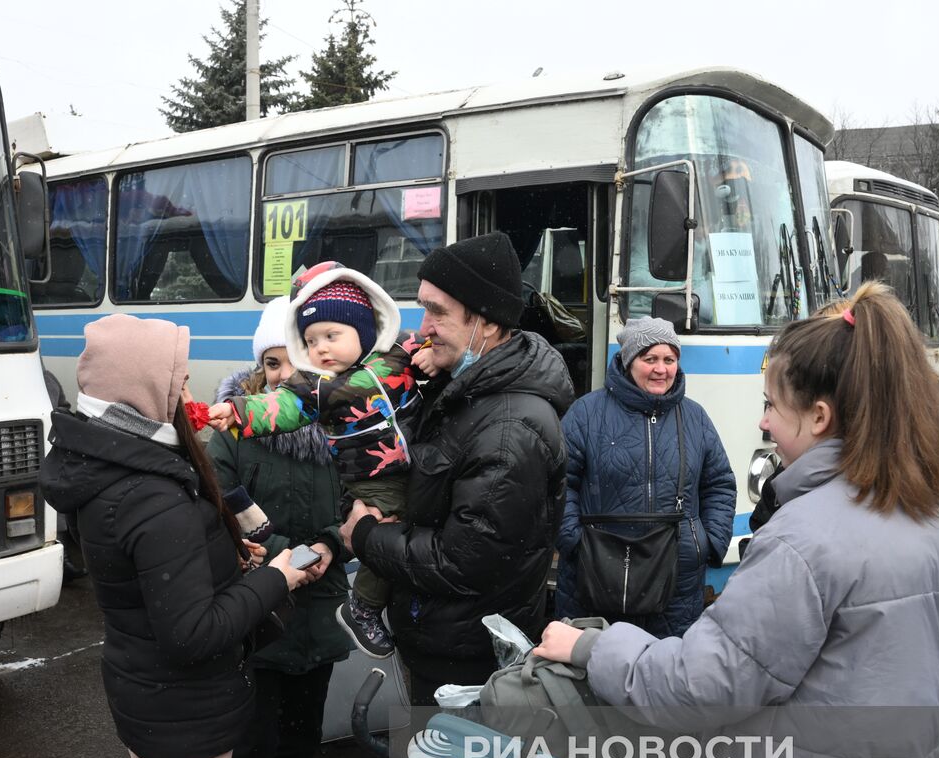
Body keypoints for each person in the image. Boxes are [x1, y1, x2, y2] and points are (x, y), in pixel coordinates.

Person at [534, 282, 939, 758]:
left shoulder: (805, 538)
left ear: (818, 417)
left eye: (771, 404)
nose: (762, 421)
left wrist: (593, 646)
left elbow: (702, 688)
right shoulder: (936, 523)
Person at [38, 314, 311, 758]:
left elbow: (156, 580)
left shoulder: (111, 465)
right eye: (178, 381)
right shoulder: (151, 495)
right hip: (184, 710)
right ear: (144, 387)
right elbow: (192, 633)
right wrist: (276, 579)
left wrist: (227, 558)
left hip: (149, 697)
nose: (189, 396)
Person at [339, 231, 575, 705]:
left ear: (484, 324)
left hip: (465, 660)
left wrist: (364, 536)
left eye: (438, 312)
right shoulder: (458, 390)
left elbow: (462, 562)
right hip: (442, 640)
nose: (423, 326)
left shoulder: (509, 430)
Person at [206, 298, 353, 758]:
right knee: (253, 744)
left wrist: (325, 545)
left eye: (289, 364)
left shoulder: (343, 428)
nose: (279, 376)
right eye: (270, 363)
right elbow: (217, 502)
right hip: (258, 610)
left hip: (317, 606)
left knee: (301, 736)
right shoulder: (234, 429)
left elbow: (360, 502)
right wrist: (273, 557)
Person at [208, 263, 425, 660]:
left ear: (364, 334)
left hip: (323, 610)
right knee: (387, 527)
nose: (319, 350)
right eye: (309, 342)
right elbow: (276, 411)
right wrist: (237, 413)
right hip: (264, 602)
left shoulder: (390, 362)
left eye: (331, 336)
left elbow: (427, 354)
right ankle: (364, 607)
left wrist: (329, 542)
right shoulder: (310, 395)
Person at [555, 316, 736, 637]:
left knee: (664, 677)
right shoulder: (586, 413)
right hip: (598, 577)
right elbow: (559, 484)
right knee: (592, 674)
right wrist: (574, 542)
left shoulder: (695, 417)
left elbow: (719, 484)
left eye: (669, 360)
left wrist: (706, 544)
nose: (661, 369)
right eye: (649, 358)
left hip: (677, 584)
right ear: (628, 362)